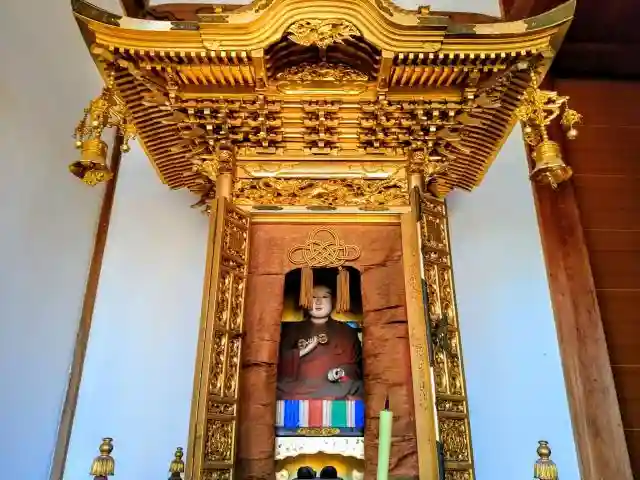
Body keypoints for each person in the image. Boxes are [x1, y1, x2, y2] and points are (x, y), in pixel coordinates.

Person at [277, 285, 363, 400]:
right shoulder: (292, 329)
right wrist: (303, 351)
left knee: (358, 387)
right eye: (313, 297)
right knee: (275, 388)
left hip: (335, 385)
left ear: (333, 301)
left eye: (324, 297)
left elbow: (356, 366)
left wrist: (342, 372)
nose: (318, 302)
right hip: (299, 385)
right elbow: (281, 364)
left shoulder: (347, 331)